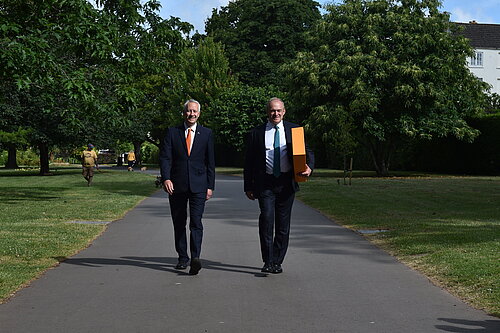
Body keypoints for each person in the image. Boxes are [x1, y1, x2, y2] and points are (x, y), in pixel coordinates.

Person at [244, 97, 314, 274]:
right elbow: (249, 161)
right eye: (272, 110)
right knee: (267, 219)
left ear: (284, 112)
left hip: (286, 184)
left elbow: (308, 152)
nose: (275, 113)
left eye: (278, 110)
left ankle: (277, 260)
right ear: (267, 112)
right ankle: (267, 260)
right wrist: (248, 186)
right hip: (265, 183)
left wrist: (309, 167)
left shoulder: (294, 130)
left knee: (283, 225)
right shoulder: (257, 133)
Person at [159, 99, 215, 275]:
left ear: (199, 114)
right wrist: (166, 179)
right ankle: (183, 257)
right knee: (179, 222)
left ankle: (195, 258)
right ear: (184, 113)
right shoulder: (172, 132)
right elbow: (165, 158)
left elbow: (210, 162)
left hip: (199, 185)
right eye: (189, 111)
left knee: (196, 222)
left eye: (194, 111)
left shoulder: (206, 134)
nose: (191, 114)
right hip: (176, 185)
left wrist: (210, 186)